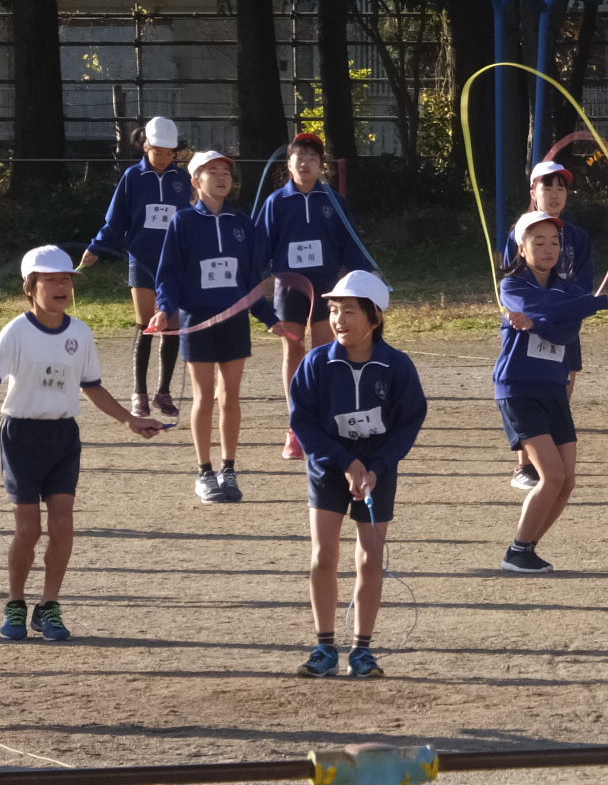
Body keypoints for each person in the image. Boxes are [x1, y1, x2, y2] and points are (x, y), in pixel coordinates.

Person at [0, 246, 165, 642]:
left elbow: (93, 388)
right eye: (50, 280)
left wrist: (130, 420)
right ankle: (15, 603)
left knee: (64, 525)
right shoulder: (16, 330)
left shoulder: (80, 333)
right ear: (31, 288)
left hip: (63, 436)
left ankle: (49, 605)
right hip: (21, 436)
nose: (61, 286)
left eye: (65, 279)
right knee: (28, 529)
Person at [289, 271, 427, 678]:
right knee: (324, 554)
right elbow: (304, 422)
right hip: (329, 464)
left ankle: (362, 650)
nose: (339, 320)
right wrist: (344, 462)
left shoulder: (397, 366)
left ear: (374, 318)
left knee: (370, 557)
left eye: (349, 311)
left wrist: (377, 467)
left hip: (377, 468)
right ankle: (324, 647)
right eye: (333, 311)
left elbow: (409, 421)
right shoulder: (317, 362)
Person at [495, 210, 608, 572]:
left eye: (555, 242)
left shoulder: (570, 290)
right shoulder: (511, 287)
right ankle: (516, 549)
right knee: (552, 476)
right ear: (521, 250)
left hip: (555, 388)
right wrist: (601, 301)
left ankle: (525, 549)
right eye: (538, 242)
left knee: (568, 481)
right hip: (518, 389)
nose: (548, 248)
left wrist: (542, 322)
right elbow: (541, 308)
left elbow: (562, 332)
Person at [152, 150, 271, 504]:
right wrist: (164, 309)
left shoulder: (242, 223)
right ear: (195, 180)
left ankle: (229, 469)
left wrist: (271, 318)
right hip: (197, 319)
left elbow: (252, 280)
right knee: (204, 396)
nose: (221, 177)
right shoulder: (183, 222)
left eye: (226, 172)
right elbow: (168, 273)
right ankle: (204, 472)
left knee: (230, 396)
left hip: (234, 320)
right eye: (212, 171)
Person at [255, 133, 375, 461]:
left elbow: (351, 242)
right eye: (299, 157)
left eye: (312, 157)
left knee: (323, 351)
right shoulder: (276, 202)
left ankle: (322, 421)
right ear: (288, 164)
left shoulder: (333, 201)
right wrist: (256, 278)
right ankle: (296, 427)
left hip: (326, 287)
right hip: (289, 287)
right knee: (294, 349)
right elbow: (260, 247)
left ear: (322, 165)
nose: (305, 163)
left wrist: (365, 273)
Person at [80, 117, 192, 420]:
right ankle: (139, 393)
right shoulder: (132, 177)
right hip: (141, 259)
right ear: (146, 146)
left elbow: (192, 219)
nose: (164, 157)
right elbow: (116, 221)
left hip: (175, 262)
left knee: (171, 323)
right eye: (158, 151)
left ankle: (163, 392)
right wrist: (97, 247)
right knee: (147, 324)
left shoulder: (182, 180)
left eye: (170, 153)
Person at [502, 161, 590, 491]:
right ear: (533, 193)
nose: (554, 194)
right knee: (526, 384)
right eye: (547, 187)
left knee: (564, 382)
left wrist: (573, 309)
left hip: (566, 320)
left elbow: (585, 280)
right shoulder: (520, 233)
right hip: (528, 321)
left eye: (561, 188)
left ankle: (546, 454)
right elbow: (510, 276)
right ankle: (524, 464)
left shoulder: (577, 237)